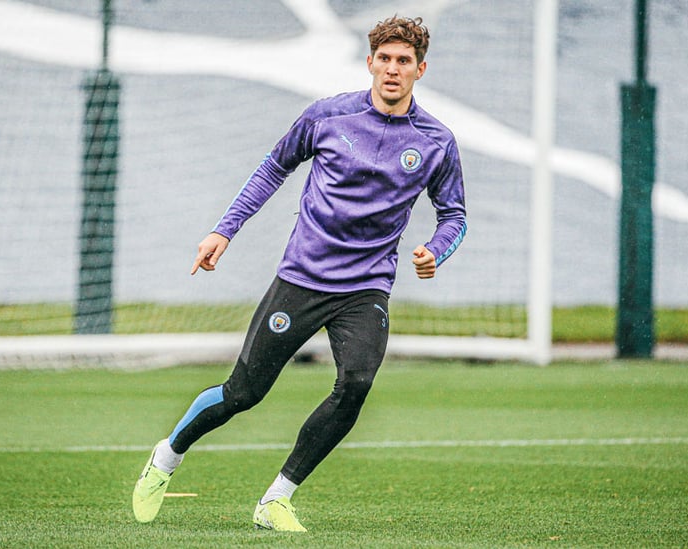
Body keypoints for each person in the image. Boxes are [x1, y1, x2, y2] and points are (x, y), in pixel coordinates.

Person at [132, 15, 467, 532]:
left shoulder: (436, 141)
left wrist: (435, 252)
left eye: (404, 61)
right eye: (385, 59)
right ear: (370, 63)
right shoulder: (327, 116)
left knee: (355, 383)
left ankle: (276, 500)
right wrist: (225, 230)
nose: (393, 69)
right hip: (303, 278)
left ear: (420, 69)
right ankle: (167, 455)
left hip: (367, 286)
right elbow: (273, 168)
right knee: (243, 394)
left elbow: (455, 216)